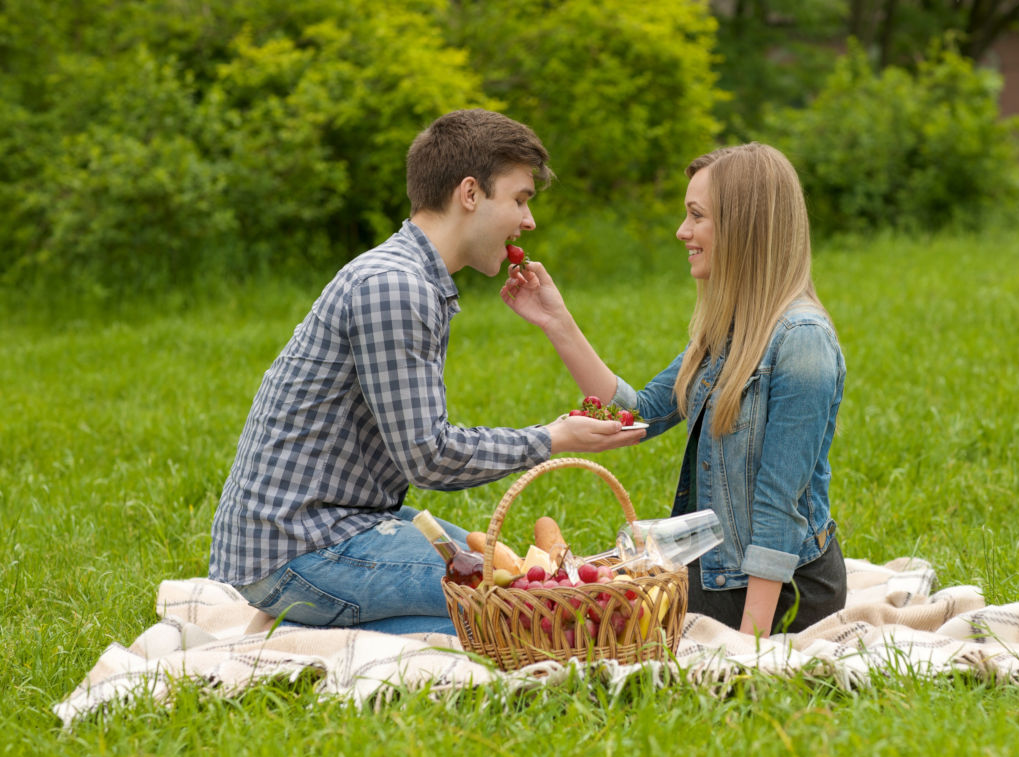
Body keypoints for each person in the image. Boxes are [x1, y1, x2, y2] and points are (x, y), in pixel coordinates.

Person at [208, 109, 645, 635]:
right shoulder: (396, 286)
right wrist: (553, 438)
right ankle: (323, 620)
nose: (528, 221)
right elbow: (430, 458)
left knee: (526, 585)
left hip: (341, 527)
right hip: (301, 549)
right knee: (534, 612)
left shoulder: (411, 277)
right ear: (469, 193)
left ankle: (335, 629)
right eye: (520, 199)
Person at [501, 142, 847, 635]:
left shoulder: (802, 342)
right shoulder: (727, 332)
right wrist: (556, 322)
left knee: (596, 630)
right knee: (579, 614)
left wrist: (749, 651)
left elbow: (777, 510)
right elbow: (640, 415)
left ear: (743, 228)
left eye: (696, 216)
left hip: (782, 596)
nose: (681, 231)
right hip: (715, 574)